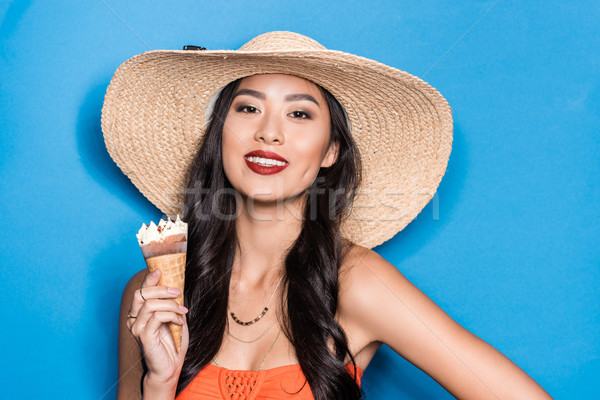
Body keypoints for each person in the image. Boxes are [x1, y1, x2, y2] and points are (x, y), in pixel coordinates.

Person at [102, 32, 552, 400]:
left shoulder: (357, 281)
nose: (269, 131)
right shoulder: (154, 295)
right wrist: (158, 384)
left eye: (299, 113)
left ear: (331, 151)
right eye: (248, 108)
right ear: (221, 136)